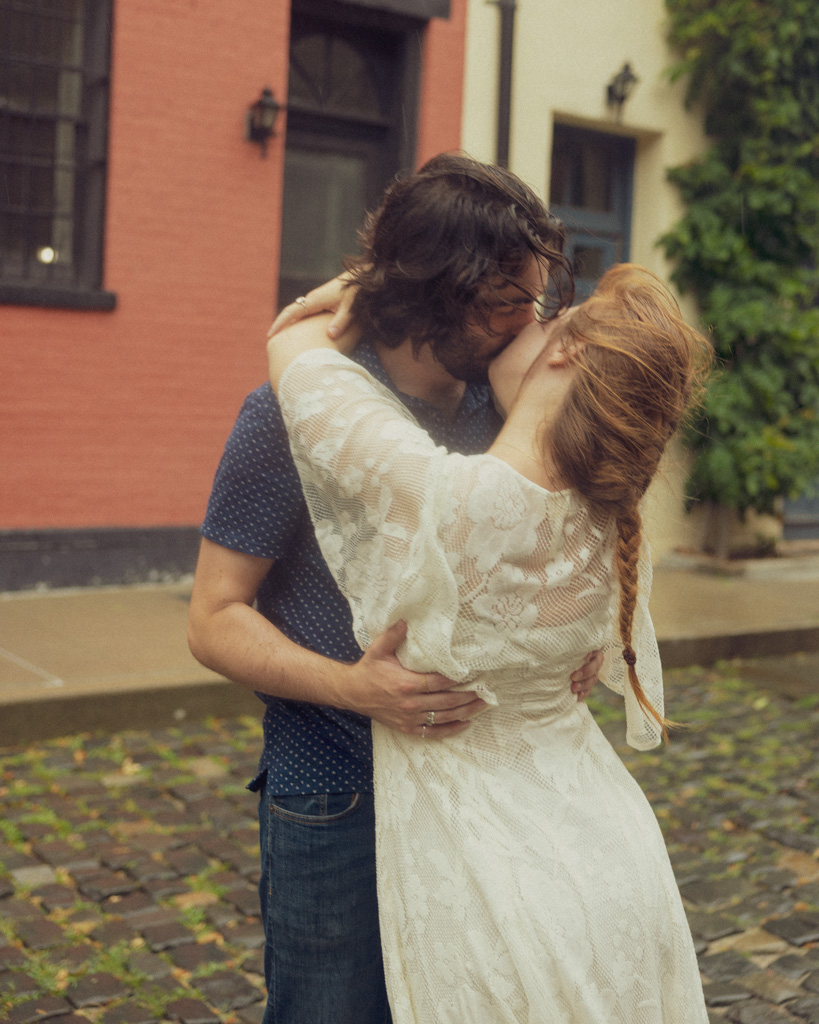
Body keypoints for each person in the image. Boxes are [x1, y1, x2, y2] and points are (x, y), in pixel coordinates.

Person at [187, 153, 603, 1024]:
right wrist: (353, 687)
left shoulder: (508, 409)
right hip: (336, 790)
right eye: (503, 300)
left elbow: (562, 559)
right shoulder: (287, 416)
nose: (526, 321)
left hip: (481, 791)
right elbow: (213, 618)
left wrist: (575, 642)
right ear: (430, 293)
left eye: (532, 297)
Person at [266, 262, 713, 1023]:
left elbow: (295, 347)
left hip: (493, 884)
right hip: (612, 862)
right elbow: (593, 655)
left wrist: (371, 282)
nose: (518, 322)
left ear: (565, 352)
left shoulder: (449, 497)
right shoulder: (610, 515)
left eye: (539, 317)